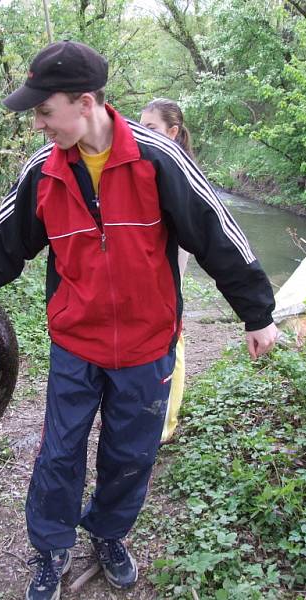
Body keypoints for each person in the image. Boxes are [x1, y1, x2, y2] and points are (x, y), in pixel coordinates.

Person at [0, 41, 277, 599]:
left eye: (45, 111)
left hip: (148, 346)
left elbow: (217, 233)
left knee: (130, 453)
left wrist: (257, 312)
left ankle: (108, 533)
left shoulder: (157, 159)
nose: (39, 124)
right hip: (77, 343)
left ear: (86, 102)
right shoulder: (43, 173)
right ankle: (50, 549)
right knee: (60, 452)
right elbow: (4, 237)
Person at [140, 98, 194, 445]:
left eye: (152, 129)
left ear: (173, 132)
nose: (142, 136)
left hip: (169, 270)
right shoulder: (150, 165)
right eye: (140, 127)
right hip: (148, 273)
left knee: (172, 342)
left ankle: (164, 427)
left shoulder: (183, 173)